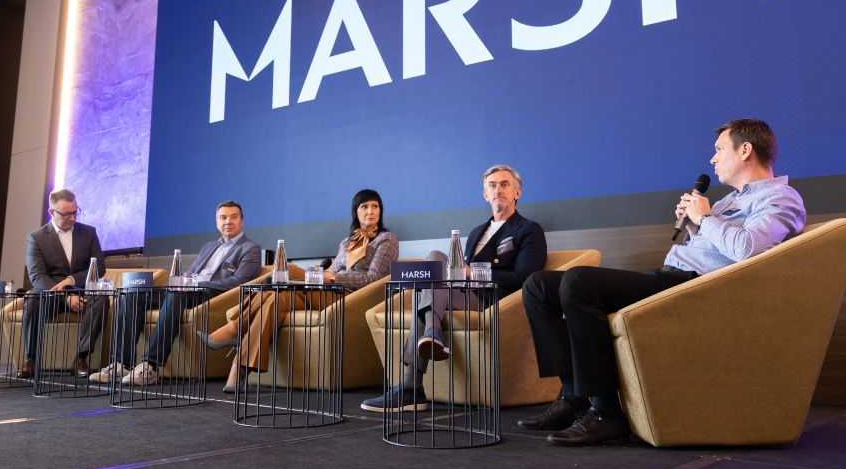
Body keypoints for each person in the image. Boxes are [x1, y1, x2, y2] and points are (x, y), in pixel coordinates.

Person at [520, 119, 807, 446]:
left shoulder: (781, 197)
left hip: (696, 288)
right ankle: (573, 397)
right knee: (538, 286)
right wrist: (695, 228)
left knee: (578, 281)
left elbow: (749, 249)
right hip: (672, 277)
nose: (713, 159)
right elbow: (717, 246)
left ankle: (606, 412)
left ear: (745, 150)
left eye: (719, 150)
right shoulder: (728, 201)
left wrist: (704, 218)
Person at [361, 164, 547, 412]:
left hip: (493, 301)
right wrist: (458, 274)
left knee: (424, 293)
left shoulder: (528, 229)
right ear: (485, 194)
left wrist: (472, 272)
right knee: (435, 258)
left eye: (505, 184)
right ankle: (432, 334)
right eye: (492, 185)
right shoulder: (477, 232)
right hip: (461, 294)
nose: (498, 190)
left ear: (517, 192)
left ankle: (411, 386)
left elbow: (526, 277)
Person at [200, 188, 398, 393]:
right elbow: (332, 270)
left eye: (375, 206)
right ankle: (238, 372)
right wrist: (323, 274)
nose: (370, 211)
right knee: (275, 298)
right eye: (364, 206)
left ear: (380, 210)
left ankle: (235, 329)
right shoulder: (346, 242)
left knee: (280, 286)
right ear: (356, 211)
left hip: (349, 298)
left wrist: (331, 278)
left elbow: (373, 278)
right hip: (323, 292)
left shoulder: (387, 239)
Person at [89, 200, 261, 385]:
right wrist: (183, 283)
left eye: (234, 217)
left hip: (212, 296)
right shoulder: (209, 247)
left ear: (242, 221)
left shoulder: (250, 248)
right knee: (134, 294)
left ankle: (150, 366)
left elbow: (238, 282)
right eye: (223, 217)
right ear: (217, 222)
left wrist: (194, 284)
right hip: (188, 291)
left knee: (176, 294)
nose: (228, 221)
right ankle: (121, 364)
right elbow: (188, 274)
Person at [18, 188, 105, 379]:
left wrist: (71, 280)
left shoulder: (88, 233)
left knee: (100, 297)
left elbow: (99, 267)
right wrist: (66, 297)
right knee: (32, 298)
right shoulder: (37, 238)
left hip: (81, 291)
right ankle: (31, 359)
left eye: (75, 212)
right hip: (50, 294)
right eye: (66, 214)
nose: (72, 218)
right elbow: (37, 276)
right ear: (51, 212)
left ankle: (81, 358)